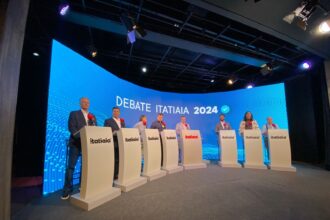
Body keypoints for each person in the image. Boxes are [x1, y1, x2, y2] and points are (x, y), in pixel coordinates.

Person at [61, 97, 97, 200]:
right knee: (71, 167)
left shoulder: (92, 116)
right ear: (80, 103)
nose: (86, 104)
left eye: (87, 102)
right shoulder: (74, 113)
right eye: (84, 102)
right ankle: (67, 190)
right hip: (76, 144)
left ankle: (83, 185)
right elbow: (71, 128)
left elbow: (95, 128)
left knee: (85, 167)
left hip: (88, 145)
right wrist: (82, 137)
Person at [104, 107, 125, 179]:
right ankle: (113, 175)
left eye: (117, 111)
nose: (116, 112)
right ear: (112, 112)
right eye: (114, 111)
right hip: (114, 143)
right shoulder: (108, 121)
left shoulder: (122, 121)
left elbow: (124, 131)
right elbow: (106, 132)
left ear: (119, 112)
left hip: (122, 143)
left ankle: (118, 173)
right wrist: (113, 133)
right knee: (114, 159)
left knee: (120, 159)